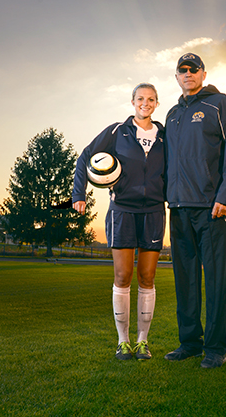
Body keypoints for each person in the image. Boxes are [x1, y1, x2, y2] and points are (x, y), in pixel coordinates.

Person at [71, 83, 165, 361]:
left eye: (150, 99)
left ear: (156, 104)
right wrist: (79, 193)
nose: (145, 103)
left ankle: (142, 342)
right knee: (123, 276)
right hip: (122, 209)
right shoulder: (117, 131)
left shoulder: (165, 135)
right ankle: (123, 341)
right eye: (140, 99)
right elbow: (85, 156)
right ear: (132, 101)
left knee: (147, 278)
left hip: (154, 212)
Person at [163, 53, 226, 368]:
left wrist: (225, 197)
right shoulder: (172, 115)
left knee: (215, 281)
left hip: (213, 210)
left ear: (203, 73)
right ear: (177, 77)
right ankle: (189, 343)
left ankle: (214, 348)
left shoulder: (218, 106)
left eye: (193, 69)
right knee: (185, 281)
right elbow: (166, 163)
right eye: (182, 70)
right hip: (179, 209)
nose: (187, 74)